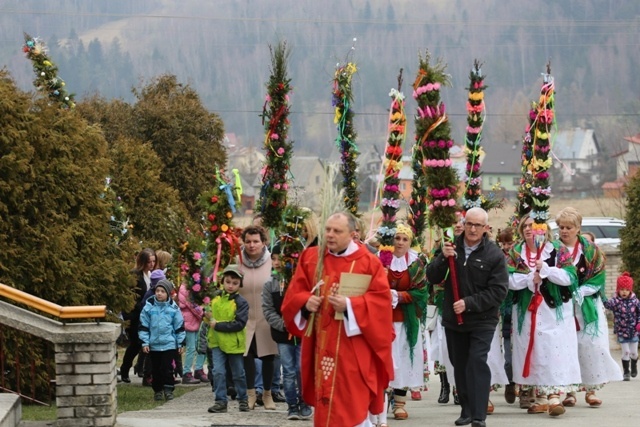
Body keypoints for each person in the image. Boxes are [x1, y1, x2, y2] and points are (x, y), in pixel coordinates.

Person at [281, 211, 394, 426]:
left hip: (352, 350)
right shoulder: (312, 257)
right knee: (326, 406)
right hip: (321, 348)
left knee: (352, 406)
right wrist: (306, 302)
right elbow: (293, 295)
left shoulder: (369, 263)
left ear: (352, 234)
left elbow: (381, 304)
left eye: (337, 231)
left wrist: (351, 305)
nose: (330, 235)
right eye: (328, 230)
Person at [426, 207, 508, 427]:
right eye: (469, 224)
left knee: (476, 361)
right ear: (463, 223)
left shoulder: (494, 254)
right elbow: (431, 276)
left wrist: (469, 303)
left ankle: (479, 415)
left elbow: (499, 291)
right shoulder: (450, 247)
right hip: (455, 320)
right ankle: (467, 409)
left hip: (482, 319)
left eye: (477, 225)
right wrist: (443, 259)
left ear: (485, 228)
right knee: (459, 364)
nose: (472, 229)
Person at [507, 214, 580, 417]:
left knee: (553, 349)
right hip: (526, 310)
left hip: (553, 310)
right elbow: (508, 278)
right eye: (525, 227)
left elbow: (570, 277)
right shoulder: (515, 252)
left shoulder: (558, 250)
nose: (529, 229)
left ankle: (554, 396)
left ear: (544, 229)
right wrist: (530, 278)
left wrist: (547, 271)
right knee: (534, 350)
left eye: (533, 225)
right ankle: (539, 397)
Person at [555, 207, 621, 407]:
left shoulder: (591, 251)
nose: (564, 231)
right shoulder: (554, 249)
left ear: (578, 228)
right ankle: (570, 392)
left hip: (588, 304)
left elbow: (599, 277)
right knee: (568, 348)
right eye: (561, 227)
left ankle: (591, 389)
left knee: (591, 346)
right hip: (563, 304)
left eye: (569, 227)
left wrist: (582, 291)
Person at [262, 247, 313, 420]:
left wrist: (299, 321)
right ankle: (292, 405)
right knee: (289, 370)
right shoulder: (270, 284)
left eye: (280, 258)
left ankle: (304, 401)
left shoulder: (300, 282)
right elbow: (268, 310)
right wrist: (284, 325)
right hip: (283, 334)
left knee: (301, 368)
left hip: (300, 332)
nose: (276, 262)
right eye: (273, 258)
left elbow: (307, 304)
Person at [383, 223, 428, 420]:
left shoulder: (416, 264)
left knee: (403, 358)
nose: (400, 242)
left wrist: (399, 296)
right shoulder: (380, 260)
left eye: (405, 239)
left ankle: (399, 402)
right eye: (397, 238)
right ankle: (382, 400)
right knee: (387, 359)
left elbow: (421, 293)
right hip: (384, 321)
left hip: (406, 321)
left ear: (410, 242)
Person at [237, 225, 278, 410]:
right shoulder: (237, 261)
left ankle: (268, 394)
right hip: (245, 317)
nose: (252, 245)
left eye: (256, 241)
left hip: (266, 316)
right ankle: (251, 393)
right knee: (247, 355)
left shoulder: (271, 262)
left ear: (263, 242)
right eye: (248, 241)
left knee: (268, 356)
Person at [207, 265, 250, 413]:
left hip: (234, 344)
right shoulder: (215, 298)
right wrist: (206, 316)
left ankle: (243, 399)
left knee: (238, 373)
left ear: (240, 284)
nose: (231, 286)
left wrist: (217, 325)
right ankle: (220, 401)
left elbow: (239, 324)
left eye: (235, 283)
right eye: (228, 281)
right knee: (218, 371)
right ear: (222, 281)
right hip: (217, 342)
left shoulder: (241, 302)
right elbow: (210, 317)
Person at [138, 279, 186, 401]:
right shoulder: (148, 308)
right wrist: (145, 342)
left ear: (168, 294)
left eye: (162, 291)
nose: (159, 293)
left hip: (169, 344)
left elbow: (179, 327)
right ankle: (157, 390)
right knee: (156, 369)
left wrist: (180, 343)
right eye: (157, 291)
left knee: (167, 368)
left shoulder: (173, 309)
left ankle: (168, 389)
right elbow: (144, 326)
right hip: (154, 345)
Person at [120, 248, 156, 384]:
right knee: (136, 344)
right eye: (149, 262)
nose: (151, 264)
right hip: (134, 315)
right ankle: (125, 369)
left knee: (142, 344)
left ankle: (142, 370)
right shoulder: (135, 275)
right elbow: (131, 297)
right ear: (143, 262)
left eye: (153, 261)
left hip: (145, 315)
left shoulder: (150, 275)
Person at [604, 272, 640, 381]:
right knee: (626, 352)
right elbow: (607, 304)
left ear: (630, 290)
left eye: (626, 289)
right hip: (621, 331)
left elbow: (639, 313)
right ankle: (626, 372)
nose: (624, 292)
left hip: (633, 331)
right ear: (618, 290)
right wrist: (601, 295)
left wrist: (639, 323)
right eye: (622, 289)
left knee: (633, 353)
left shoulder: (635, 301)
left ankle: (634, 364)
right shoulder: (616, 301)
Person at [496, 227, 516, 404]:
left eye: (510, 243)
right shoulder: (498, 257)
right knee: (508, 353)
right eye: (504, 243)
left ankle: (525, 388)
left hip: (518, 304)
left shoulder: (519, 257)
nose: (507, 246)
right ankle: (510, 382)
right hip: (503, 310)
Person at [178, 271, 207, 384]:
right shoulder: (185, 289)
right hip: (189, 322)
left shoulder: (196, 287)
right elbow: (192, 305)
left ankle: (198, 369)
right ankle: (186, 373)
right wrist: (203, 313)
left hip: (196, 322)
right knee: (191, 348)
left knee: (200, 345)